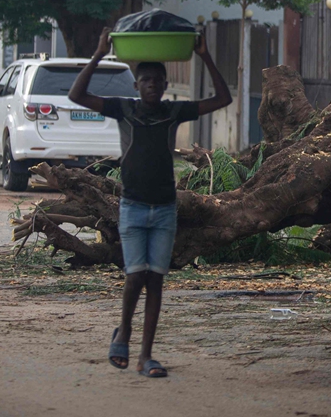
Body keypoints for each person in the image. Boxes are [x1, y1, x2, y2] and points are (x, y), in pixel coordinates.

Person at [68, 28, 231, 378]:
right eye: (146, 80)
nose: (152, 85)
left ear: (166, 84)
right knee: (135, 276)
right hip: (133, 206)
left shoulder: (174, 111)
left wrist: (204, 55)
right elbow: (76, 94)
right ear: (136, 85)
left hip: (164, 209)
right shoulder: (123, 108)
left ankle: (145, 357)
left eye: (158, 80)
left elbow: (222, 99)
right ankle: (124, 332)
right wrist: (99, 54)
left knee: (155, 280)